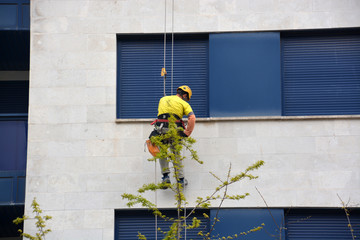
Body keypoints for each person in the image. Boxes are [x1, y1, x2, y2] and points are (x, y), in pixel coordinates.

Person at [149, 85, 196, 188]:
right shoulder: (184, 103)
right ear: (184, 95)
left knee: (162, 152)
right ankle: (180, 180)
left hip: (160, 129)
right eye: (186, 98)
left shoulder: (163, 99)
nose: (186, 100)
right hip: (174, 130)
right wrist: (187, 132)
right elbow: (192, 118)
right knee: (176, 153)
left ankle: (165, 177)